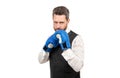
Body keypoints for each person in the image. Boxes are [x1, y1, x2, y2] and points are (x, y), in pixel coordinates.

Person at [38, 6, 84, 78]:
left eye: (61, 22)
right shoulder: (52, 38)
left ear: (68, 21)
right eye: (55, 22)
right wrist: (46, 48)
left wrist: (66, 48)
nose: (58, 26)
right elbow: (41, 60)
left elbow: (78, 67)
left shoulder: (76, 38)